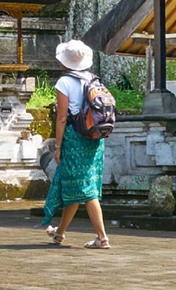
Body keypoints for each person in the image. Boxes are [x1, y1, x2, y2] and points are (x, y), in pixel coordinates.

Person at [42, 39, 111, 249]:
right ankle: (60, 232)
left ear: (64, 63)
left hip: (74, 139)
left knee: (85, 188)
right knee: (75, 184)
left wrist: (58, 146)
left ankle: (102, 237)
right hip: (94, 139)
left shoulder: (64, 82)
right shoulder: (93, 78)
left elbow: (62, 118)